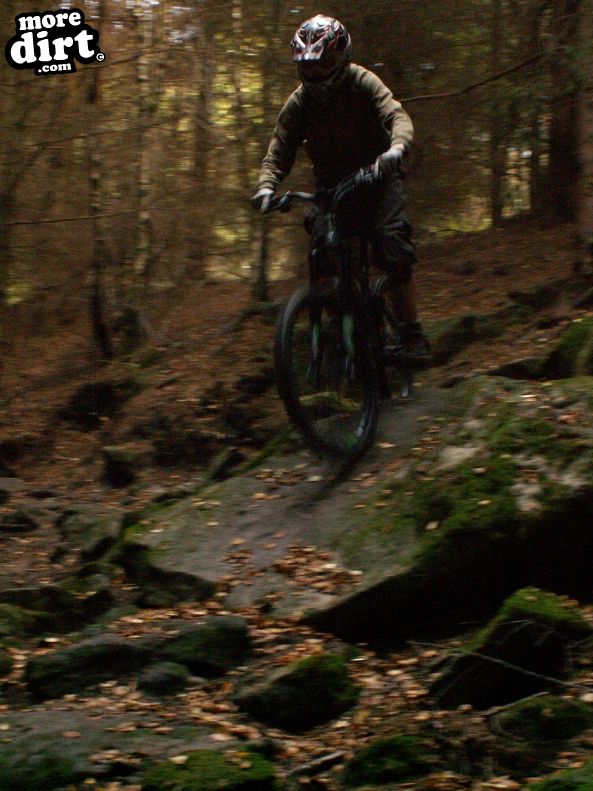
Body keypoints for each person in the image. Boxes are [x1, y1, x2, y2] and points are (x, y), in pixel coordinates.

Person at [251, 14, 431, 368]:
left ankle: (412, 333)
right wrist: (266, 187)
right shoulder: (299, 103)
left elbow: (396, 116)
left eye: (325, 64)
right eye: (310, 67)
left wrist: (396, 150)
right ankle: (341, 325)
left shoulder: (362, 81)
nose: (317, 74)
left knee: (391, 245)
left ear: (341, 58)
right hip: (332, 187)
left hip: (379, 176)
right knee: (323, 251)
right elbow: (280, 150)